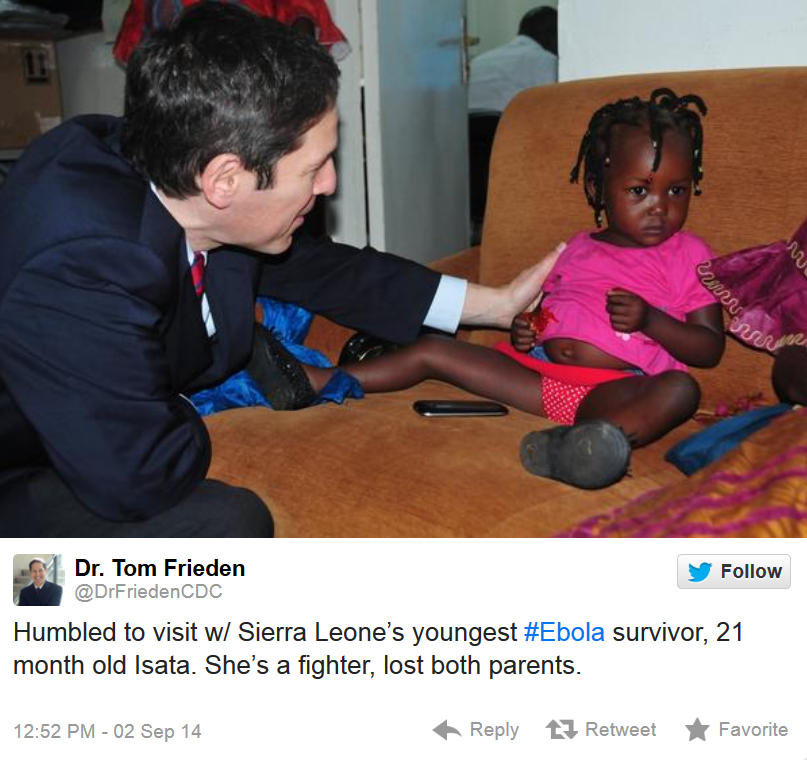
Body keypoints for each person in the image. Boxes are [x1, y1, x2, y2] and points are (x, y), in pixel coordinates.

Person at [0, 2, 554, 538]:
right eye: (313, 167)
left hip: (84, 429)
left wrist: (495, 304)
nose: (330, 184)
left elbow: (321, 270)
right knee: (226, 525)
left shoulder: (177, 169)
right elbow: (141, 477)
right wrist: (201, 399)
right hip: (26, 463)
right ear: (224, 180)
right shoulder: (81, 261)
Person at [283, 89, 726, 489]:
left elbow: (708, 348)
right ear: (598, 189)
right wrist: (526, 327)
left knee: (680, 390)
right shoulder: (576, 247)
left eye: (677, 191)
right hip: (535, 377)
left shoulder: (687, 253)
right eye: (639, 191)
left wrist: (652, 320)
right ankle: (321, 381)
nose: (660, 208)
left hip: (611, 392)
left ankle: (580, 447)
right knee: (433, 350)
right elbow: (550, 308)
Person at [468, 6, 558, 114]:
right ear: (552, 36)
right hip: (510, 128)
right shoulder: (546, 61)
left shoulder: (478, 61)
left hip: (467, 129)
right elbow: (556, 108)